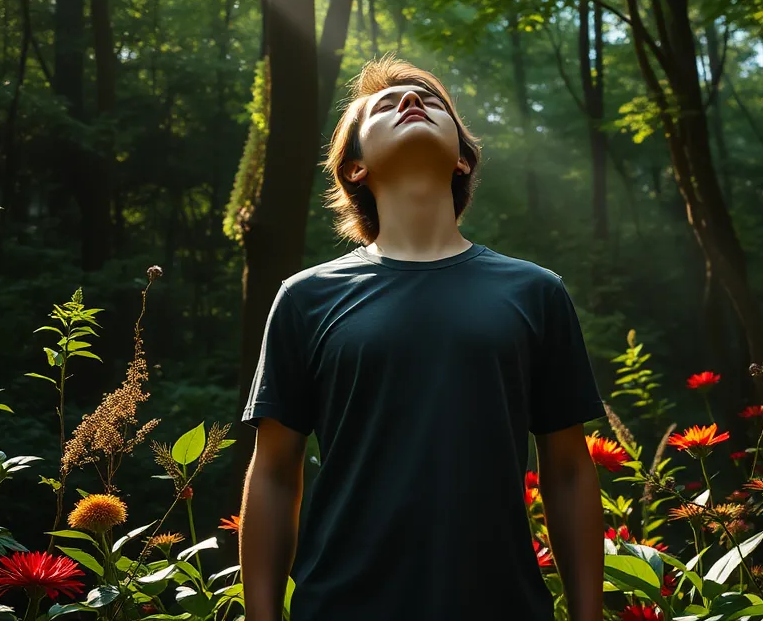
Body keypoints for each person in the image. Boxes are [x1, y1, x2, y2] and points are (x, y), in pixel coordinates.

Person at [239, 53, 606, 621]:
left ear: (462, 159)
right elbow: (273, 473)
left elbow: (569, 470)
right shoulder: (304, 299)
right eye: (385, 106)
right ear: (354, 168)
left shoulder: (536, 292)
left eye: (432, 102)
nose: (412, 101)